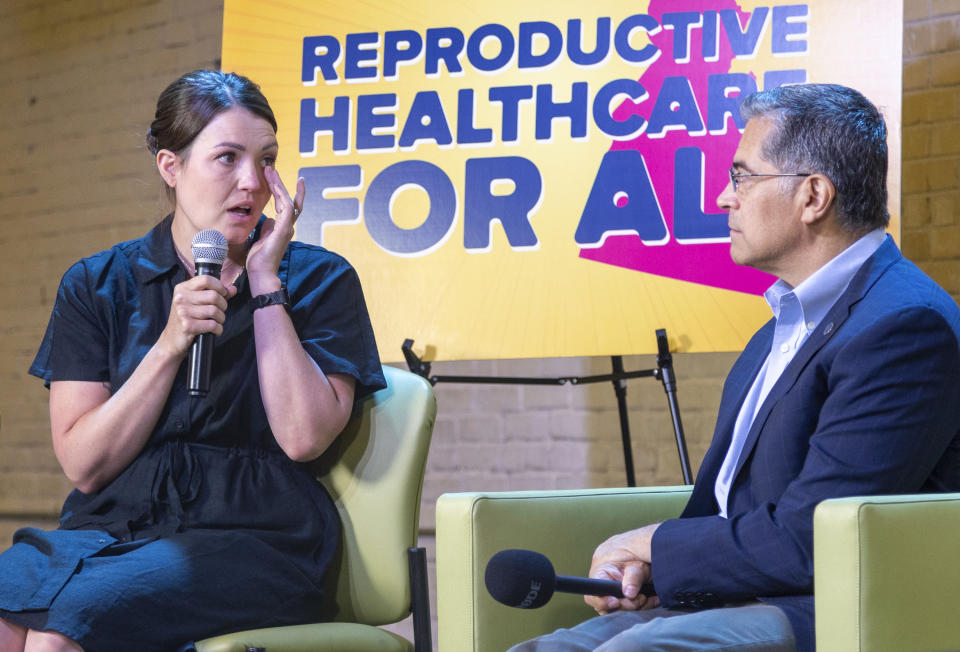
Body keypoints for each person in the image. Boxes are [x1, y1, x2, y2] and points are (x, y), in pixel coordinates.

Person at [510, 83, 960, 652]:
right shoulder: (776, 329)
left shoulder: (902, 328)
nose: (724, 197)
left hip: (821, 609)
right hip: (738, 597)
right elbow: (730, 509)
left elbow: (812, 537)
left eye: (742, 177)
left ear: (813, 195)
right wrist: (653, 571)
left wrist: (655, 544)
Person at [0, 69, 385, 651]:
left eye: (266, 159)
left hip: (256, 536)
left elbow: (304, 437)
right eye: (227, 158)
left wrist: (264, 283)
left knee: (66, 626)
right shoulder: (96, 284)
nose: (252, 183)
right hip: (111, 526)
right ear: (170, 167)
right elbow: (85, 464)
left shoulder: (320, 279)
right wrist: (169, 344)